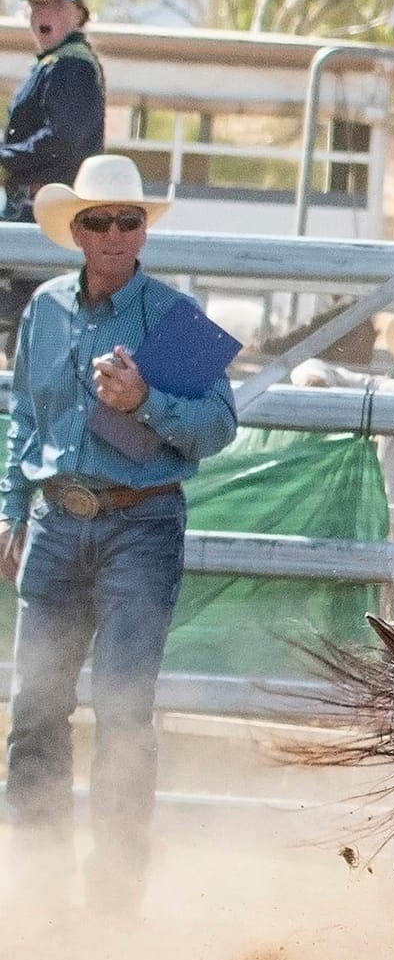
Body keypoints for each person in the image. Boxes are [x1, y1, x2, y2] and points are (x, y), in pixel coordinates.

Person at [2, 154, 237, 910]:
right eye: (98, 220)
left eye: (126, 221)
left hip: (140, 524)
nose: (113, 233)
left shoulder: (173, 316)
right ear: (77, 230)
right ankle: (33, 885)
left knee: (122, 708)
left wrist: (144, 401)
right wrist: (10, 509)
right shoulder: (45, 310)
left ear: (142, 231)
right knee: (34, 704)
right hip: (53, 524)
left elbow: (219, 427)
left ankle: (111, 897)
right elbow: (22, 419)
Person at [0, 0, 107, 349]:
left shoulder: (70, 67)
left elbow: (62, 140)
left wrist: (5, 157)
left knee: (31, 321)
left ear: (79, 12)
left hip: (47, 214)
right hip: (36, 213)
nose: (42, 15)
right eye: (37, 5)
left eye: (55, 5)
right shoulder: (54, 65)